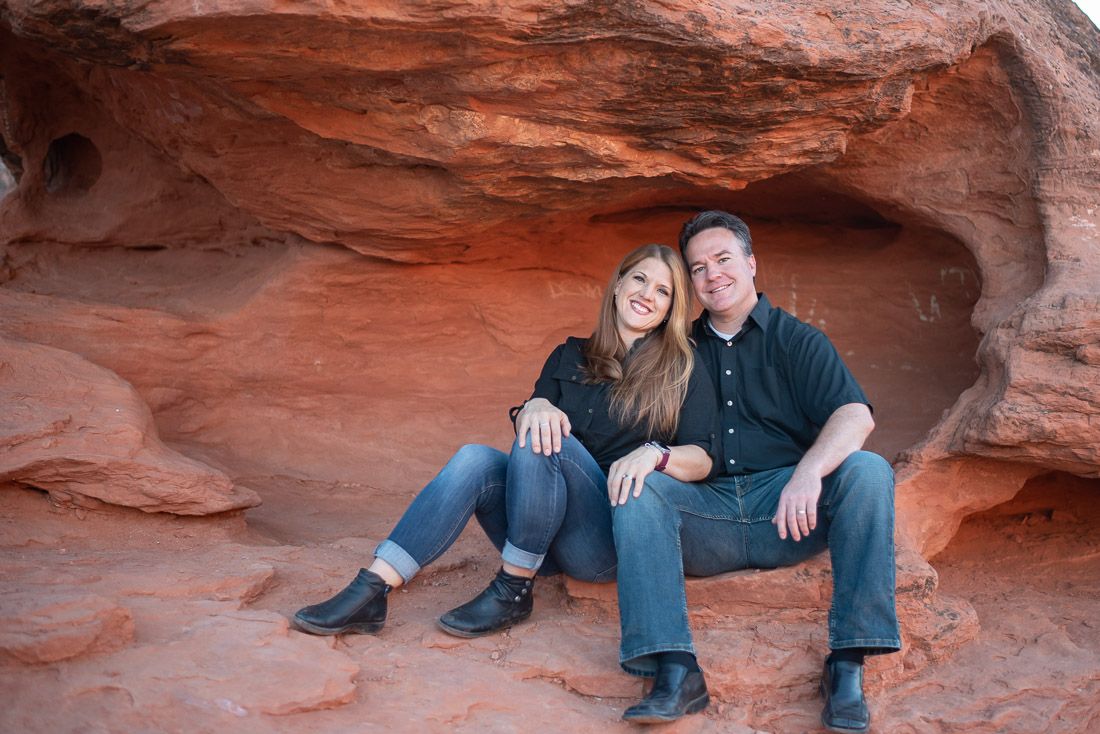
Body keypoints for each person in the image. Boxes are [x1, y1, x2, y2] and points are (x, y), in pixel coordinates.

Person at [293, 243, 720, 645]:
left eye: (662, 291)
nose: (647, 294)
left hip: (600, 543)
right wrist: (534, 405)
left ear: (670, 309)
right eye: (640, 280)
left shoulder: (683, 368)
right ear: (619, 285)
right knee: (475, 458)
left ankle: (513, 590)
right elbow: (534, 428)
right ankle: (372, 590)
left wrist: (656, 454)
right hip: (536, 532)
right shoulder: (569, 355)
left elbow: (702, 458)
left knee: (547, 438)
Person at [612, 211, 899, 731]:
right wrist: (543, 405)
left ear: (750, 263)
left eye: (723, 259)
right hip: (704, 513)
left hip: (787, 510)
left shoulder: (797, 339)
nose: (712, 274)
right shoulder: (674, 348)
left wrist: (809, 474)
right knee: (641, 488)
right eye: (698, 268)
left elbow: (855, 415)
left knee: (869, 471)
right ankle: (674, 670)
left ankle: (847, 664)